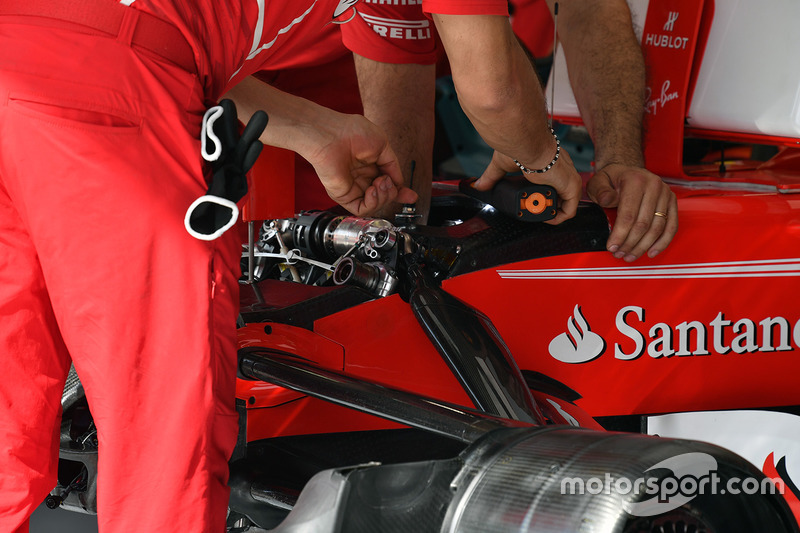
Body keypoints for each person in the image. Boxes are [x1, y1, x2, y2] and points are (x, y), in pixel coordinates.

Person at [0, 1, 414, 532]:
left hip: (27, 45)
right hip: (112, 95)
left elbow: (177, 45)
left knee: (9, 391)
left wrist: (319, 133)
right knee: (162, 421)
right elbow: (490, 89)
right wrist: (540, 161)